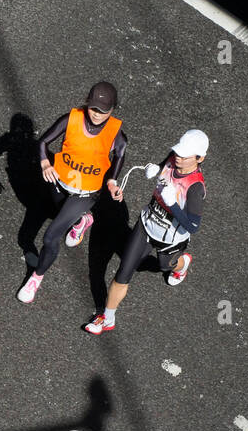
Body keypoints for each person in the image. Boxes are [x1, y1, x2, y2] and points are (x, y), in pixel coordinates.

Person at [85, 129, 209, 334]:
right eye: (177, 152)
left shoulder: (195, 188)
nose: (178, 157)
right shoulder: (172, 160)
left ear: (199, 158)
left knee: (163, 265)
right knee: (124, 270)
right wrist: (155, 169)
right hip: (146, 225)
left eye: (184, 156)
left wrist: (173, 205)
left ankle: (182, 263)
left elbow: (193, 227)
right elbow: (162, 169)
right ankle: (107, 318)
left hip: (171, 239)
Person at [17, 81, 127, 304]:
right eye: (93, 108)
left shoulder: (117, 134)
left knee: (49, 236)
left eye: (103, 111)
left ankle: (36, 276)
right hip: (59, 181)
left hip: (86, 192)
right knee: (61, 211)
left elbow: (120, 156)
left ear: (113, 109)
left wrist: (112, 181)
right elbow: (43, 142)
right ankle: (83, 220)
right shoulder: (72, 118)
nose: (96, 114)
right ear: (87, 102)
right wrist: (45, 163)